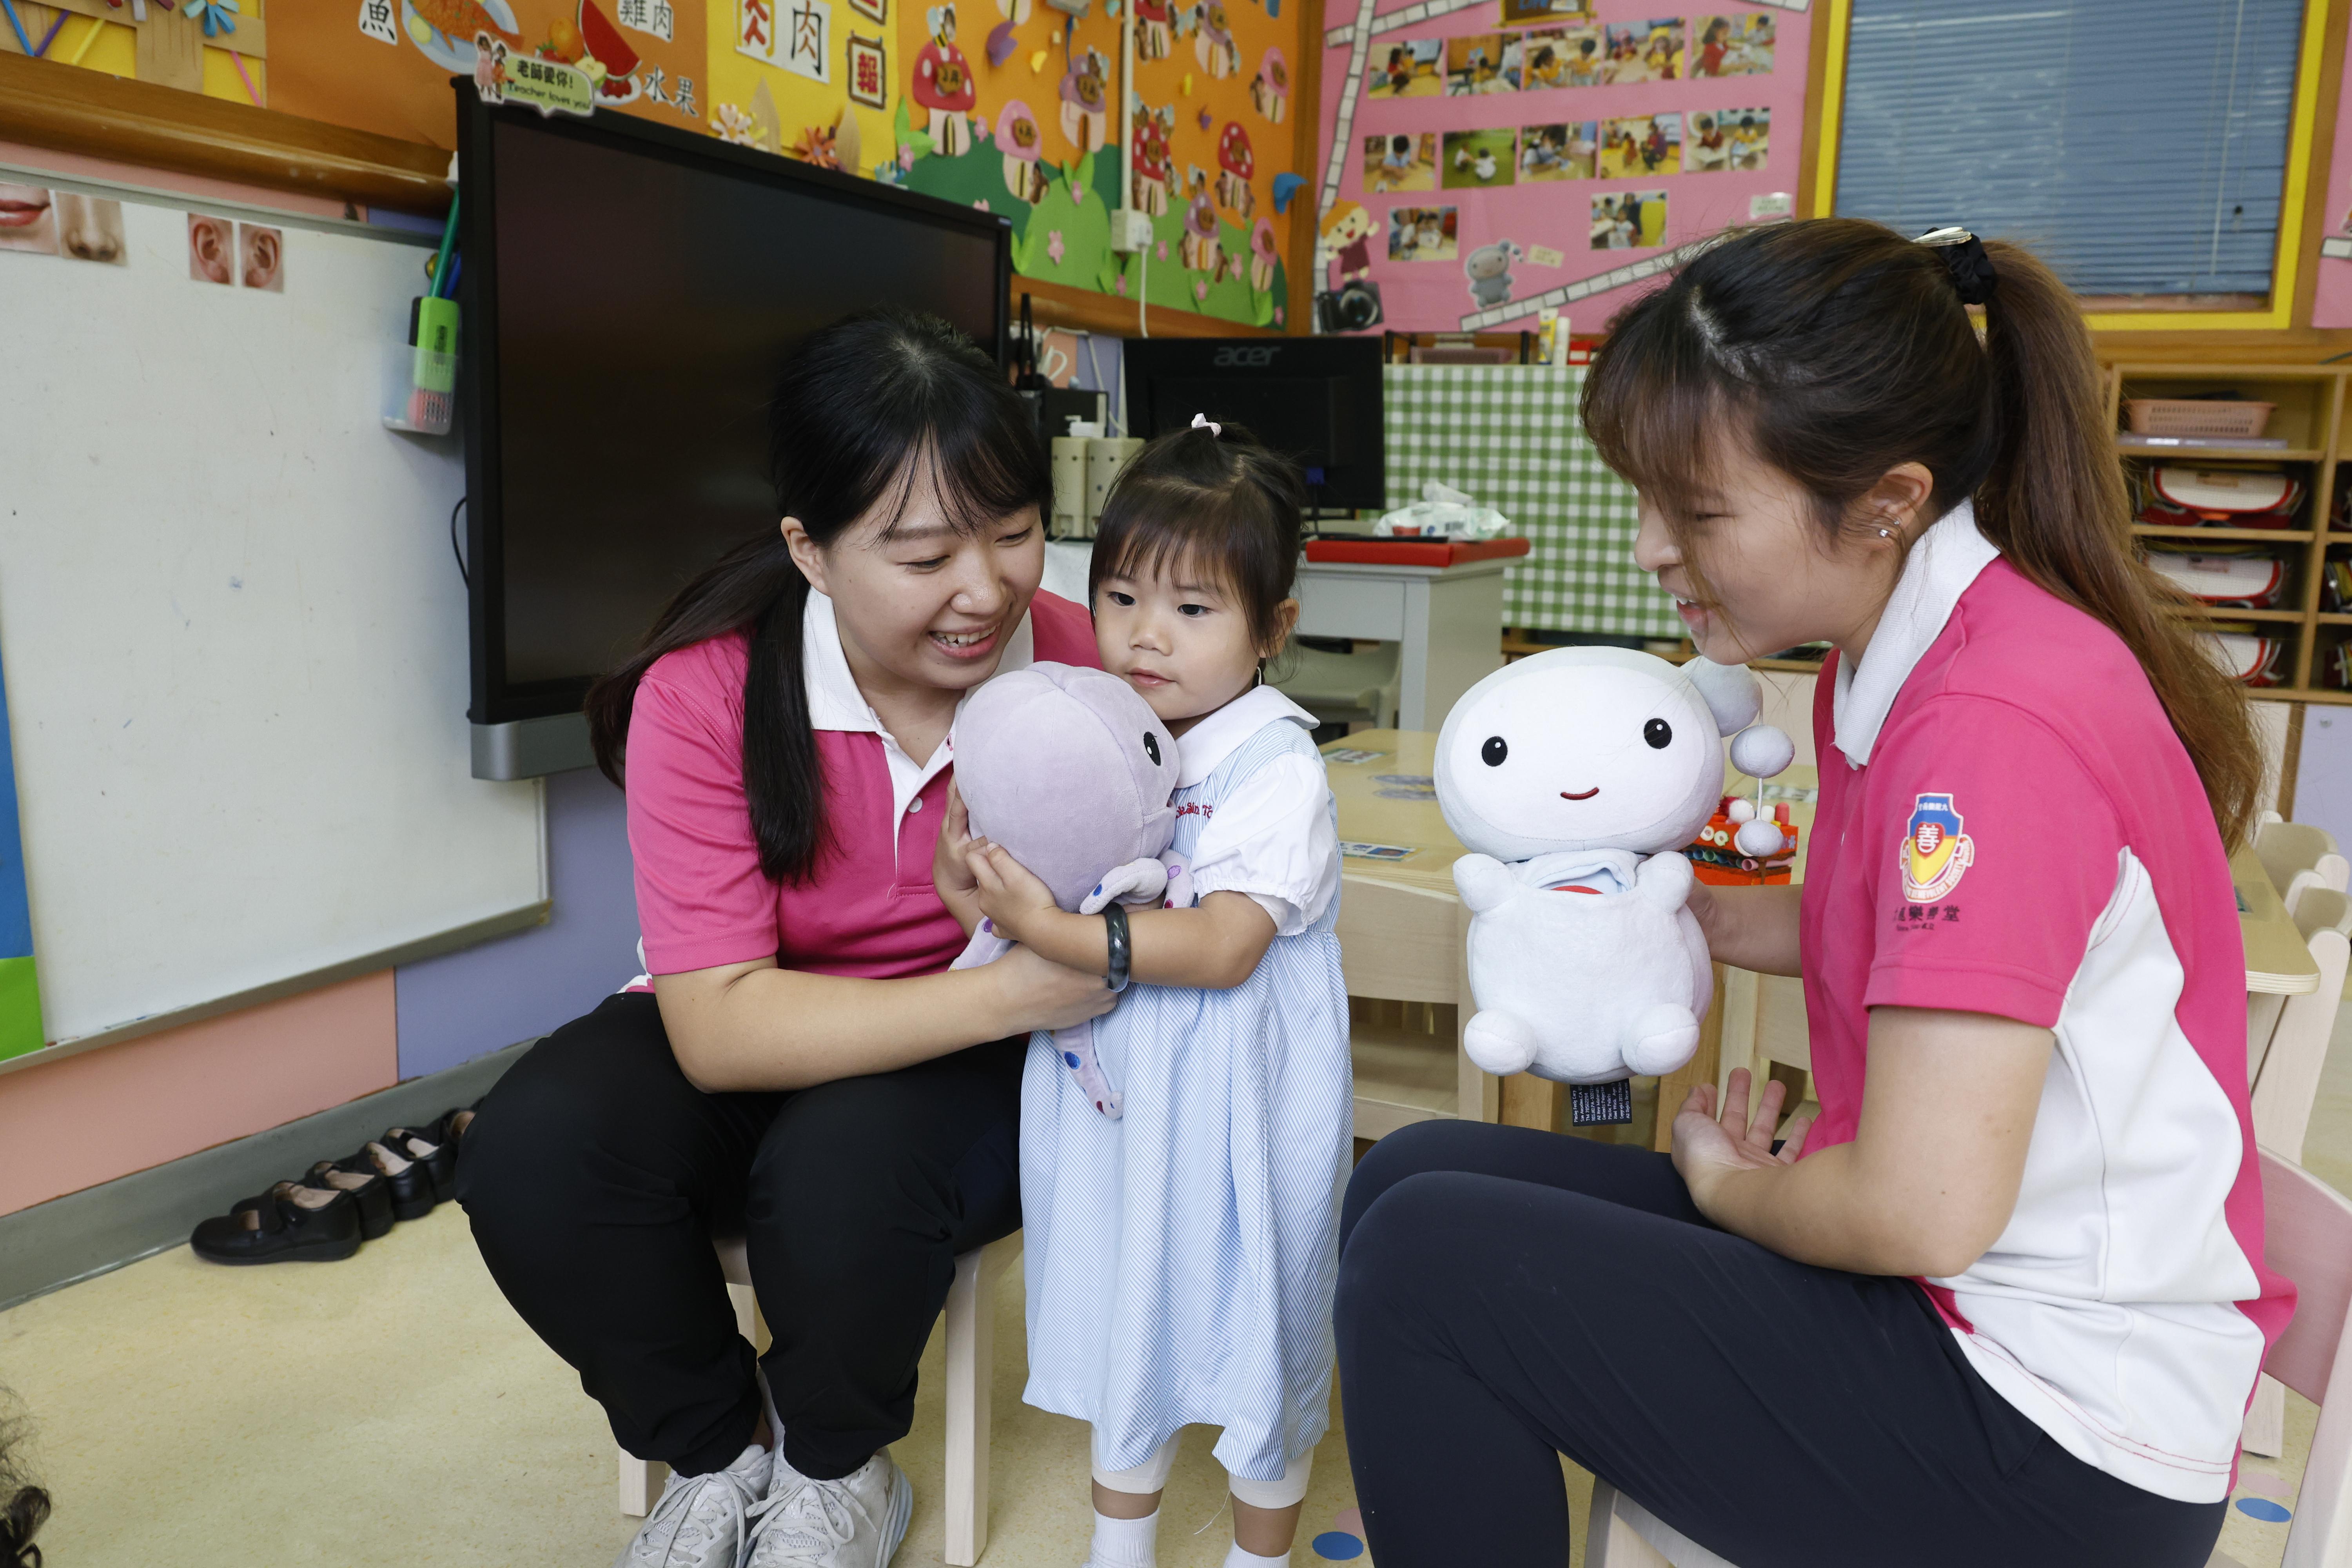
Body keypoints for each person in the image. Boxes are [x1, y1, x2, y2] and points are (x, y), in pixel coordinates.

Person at [1334, 218, 2294, 1568]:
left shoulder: (1992, 728)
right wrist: (1689, 917)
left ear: (1889, 500)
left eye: (1698, 512)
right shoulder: (1898, 650)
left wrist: (1732, 1190)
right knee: (1414, 1175)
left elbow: (1917, 1210)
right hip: (1961, 1306)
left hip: (2058, 1441)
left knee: (1426, 1263)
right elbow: (1890, 929)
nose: (1651, 550)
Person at [458, 310, 1115, 1568]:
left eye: (1016, 532)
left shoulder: (1087, 666)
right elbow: (717, 1032)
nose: (987, 590)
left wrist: (1028, 980)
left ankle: (834, 1467)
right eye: (923, 556)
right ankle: (720, 1450)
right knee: (535, 1152)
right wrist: (1019, 992)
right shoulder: (705, 691)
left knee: (841, 1168)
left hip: (972, 1060)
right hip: (809, 1013)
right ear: (809, 549)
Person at [946, 419, 1350, 1568]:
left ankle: (1259, 1557)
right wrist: (973, 886)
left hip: (1241, 1104)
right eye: (1121, 597)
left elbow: (1224, 946)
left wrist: (1052, 930)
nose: (1145, 636)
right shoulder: (1094, 739)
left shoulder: (1275, 764)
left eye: (1194, 608)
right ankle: (1116, 1550)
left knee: (1261, 1314)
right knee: (1128, 1306)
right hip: (1118, 1098)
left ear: (1274, 626)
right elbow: (1006, 910)